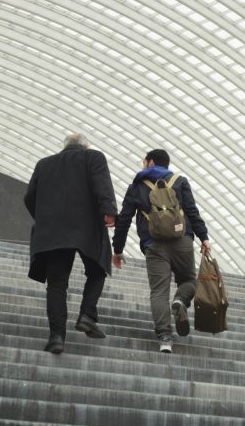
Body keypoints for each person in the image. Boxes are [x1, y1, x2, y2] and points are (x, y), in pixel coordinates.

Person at [24, 133, 118, 354]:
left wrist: (45, 218)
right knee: (98, 269)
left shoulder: (44, 164)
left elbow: (30, 197)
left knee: (56, 284)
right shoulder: (93, 157)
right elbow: (101, 185)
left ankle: (56, 337)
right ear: (85, 147)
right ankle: (87, 315)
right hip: (87, 226)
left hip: (53, 230)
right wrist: (109, 212)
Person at [112, 149, 210, 353]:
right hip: (182, 240)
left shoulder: (137, 186)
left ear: (150, 162)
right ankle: (180, 300)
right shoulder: (180, 181)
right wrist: (204, 237)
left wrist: (118, 249)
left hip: (154, 244)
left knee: (158, 291)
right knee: (190, 281)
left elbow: (124, 219)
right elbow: (192, 211)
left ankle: (165, 337)